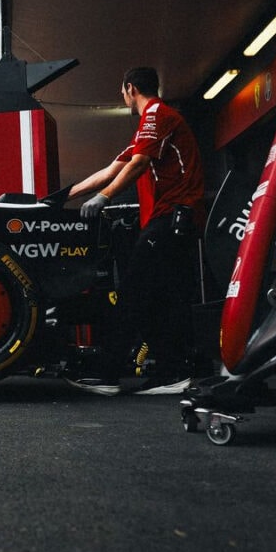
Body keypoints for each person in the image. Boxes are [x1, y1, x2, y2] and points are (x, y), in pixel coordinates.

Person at [67, 66, 205, 396]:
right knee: (157, 299)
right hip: (170, 220)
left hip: (172, 217)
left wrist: (104, 198)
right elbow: (112, 169)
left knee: (131, 293)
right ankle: (171, 372)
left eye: (123, 91)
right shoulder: (148, 126)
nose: (123, 96)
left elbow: (138, 165)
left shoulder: (157, 113)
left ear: (130, 88)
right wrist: (61, 197)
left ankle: (109, 375)